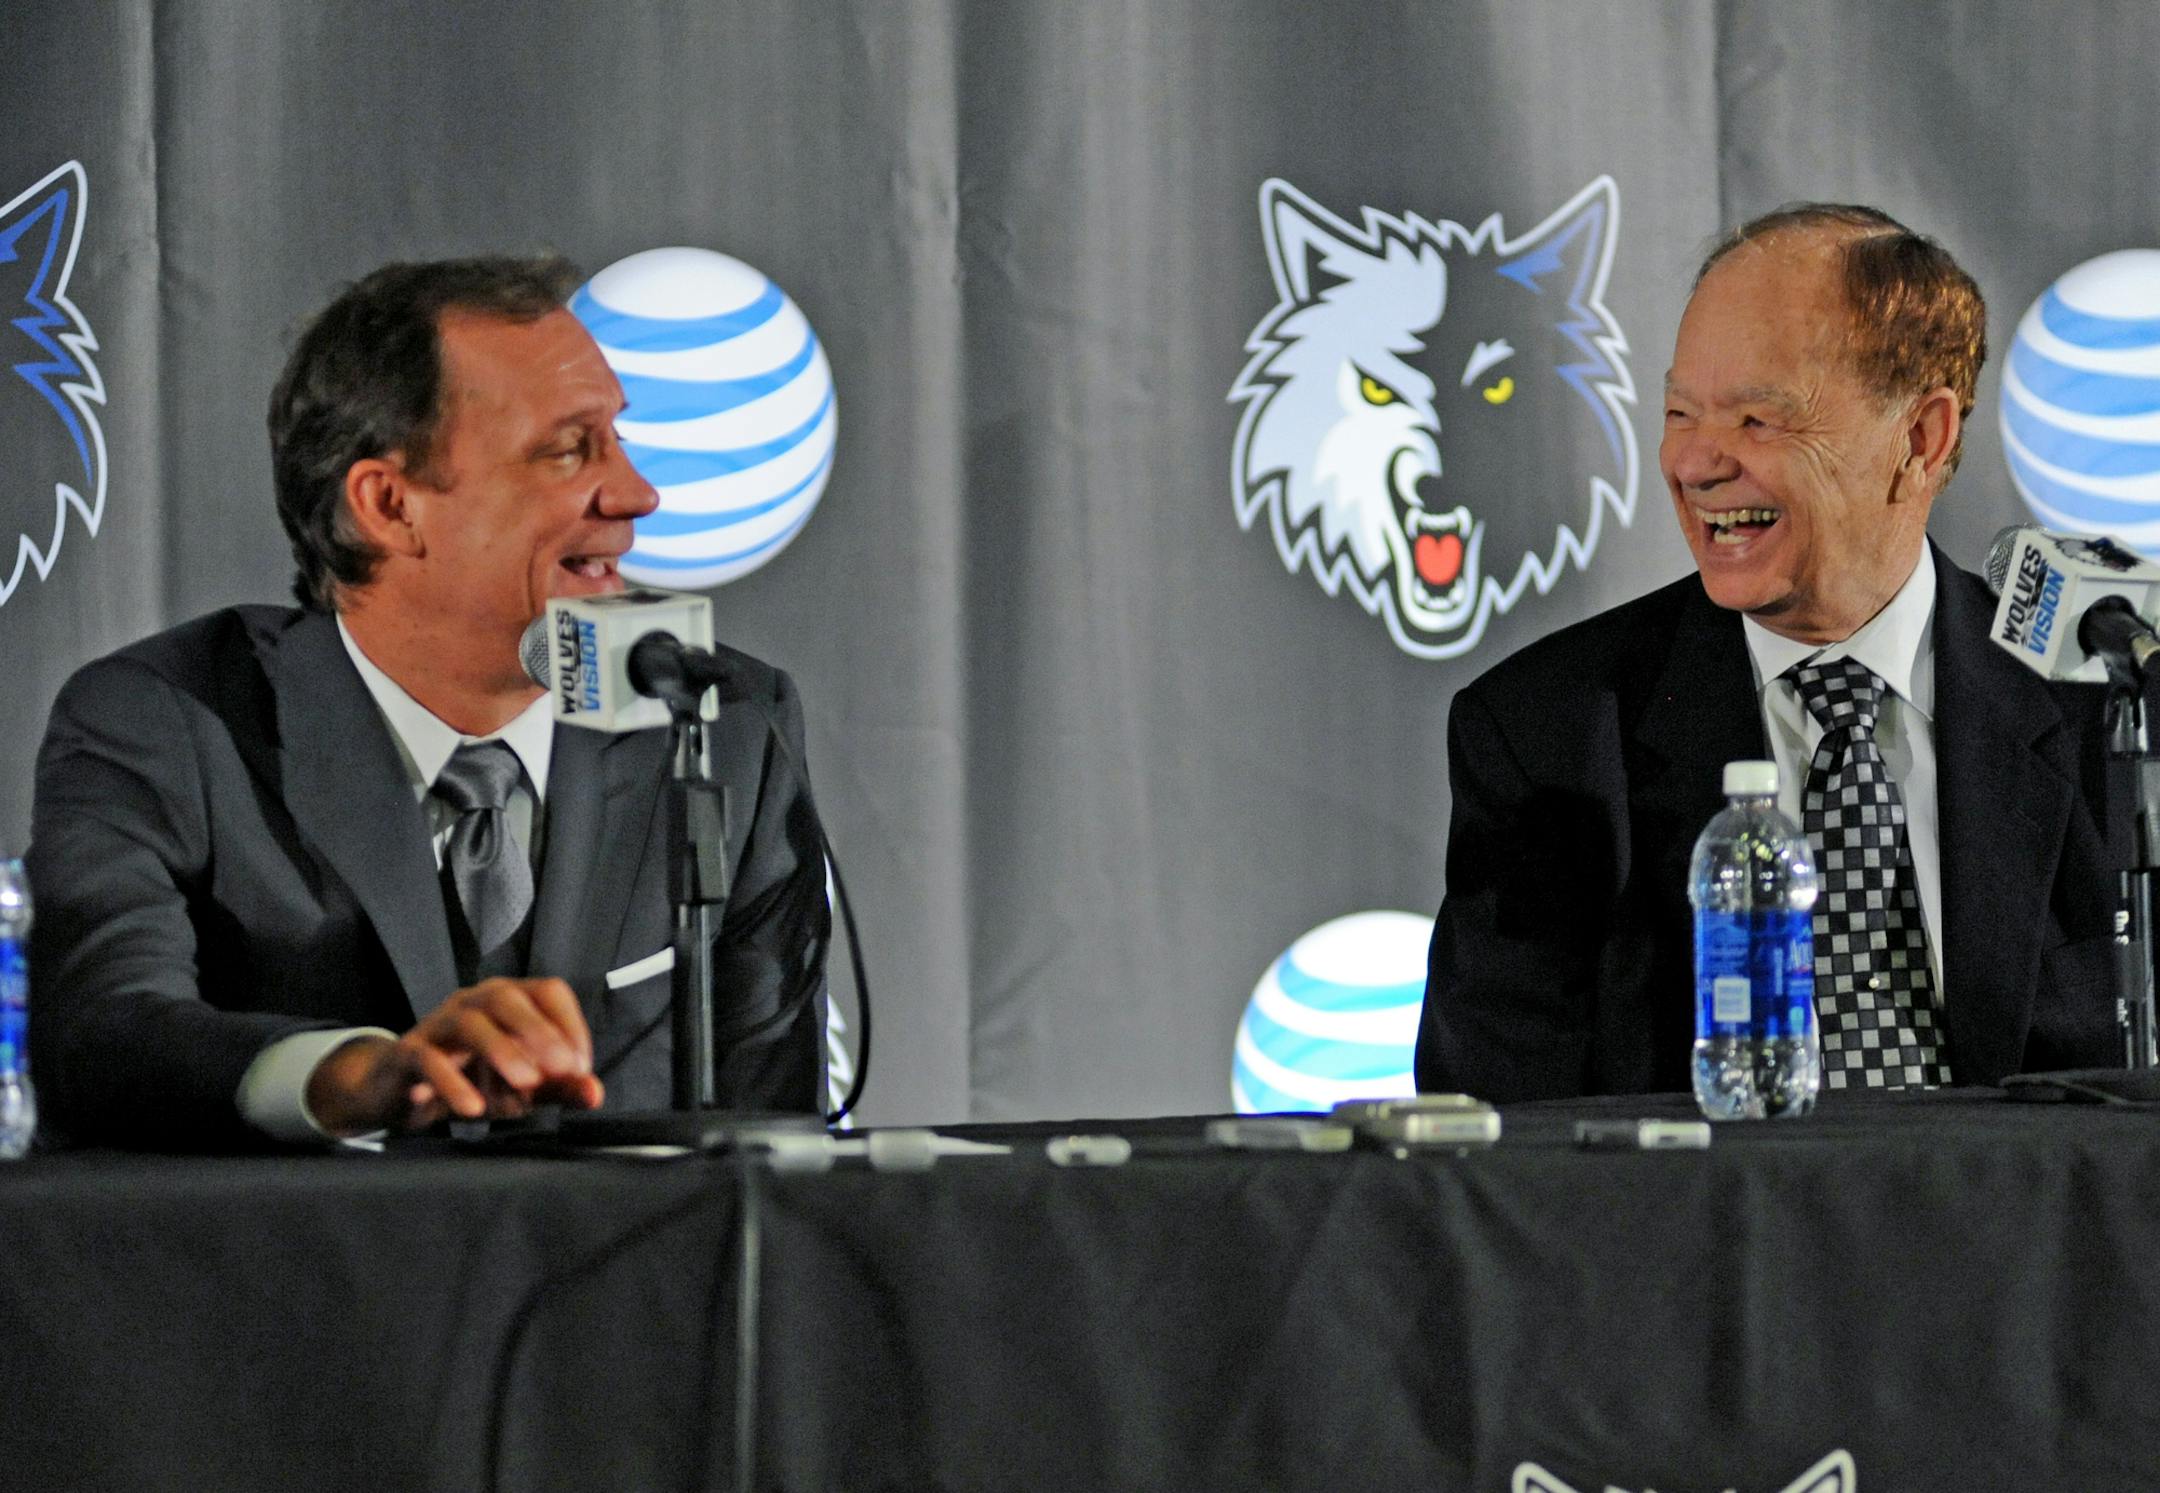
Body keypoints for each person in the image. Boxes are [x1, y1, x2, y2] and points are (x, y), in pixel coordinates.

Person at [27, 257, 830, 1146]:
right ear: (389, 504)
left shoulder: (722, 721)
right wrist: (358, 1075)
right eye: (568, 448)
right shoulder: (167, 720)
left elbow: (772, 1142)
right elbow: (102, 1035)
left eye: (618, 438)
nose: (636, 495)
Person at [1418, 205, 2121, 1101]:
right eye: (1680, 412)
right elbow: (1501, 1151)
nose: (1695, 463)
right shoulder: (1547, 738)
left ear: (1921, 437)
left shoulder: (2106, 709)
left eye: (1756, 420)